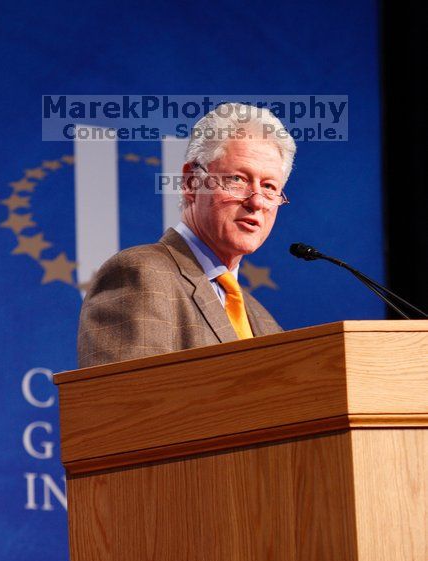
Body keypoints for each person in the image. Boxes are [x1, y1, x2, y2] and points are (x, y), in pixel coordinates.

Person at [77, 103, 296, 367]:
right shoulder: (141, 274)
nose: (257, 201)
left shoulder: (265, 322)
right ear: (192, 182)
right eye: (238, 179)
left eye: (270, 186)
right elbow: (127, 403)